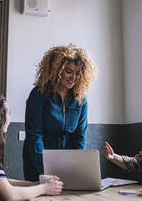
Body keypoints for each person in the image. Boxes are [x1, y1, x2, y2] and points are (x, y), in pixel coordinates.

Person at [23, 44, 97, 181]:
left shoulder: (81, 100)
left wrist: (75, 167)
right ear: (56, 70)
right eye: (68, 71)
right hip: (38, 159)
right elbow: (34, 136)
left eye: (77, 73)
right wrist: (44, 168)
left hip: (67, 163)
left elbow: (79, 138)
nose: (73, 78)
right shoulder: (39, 94)